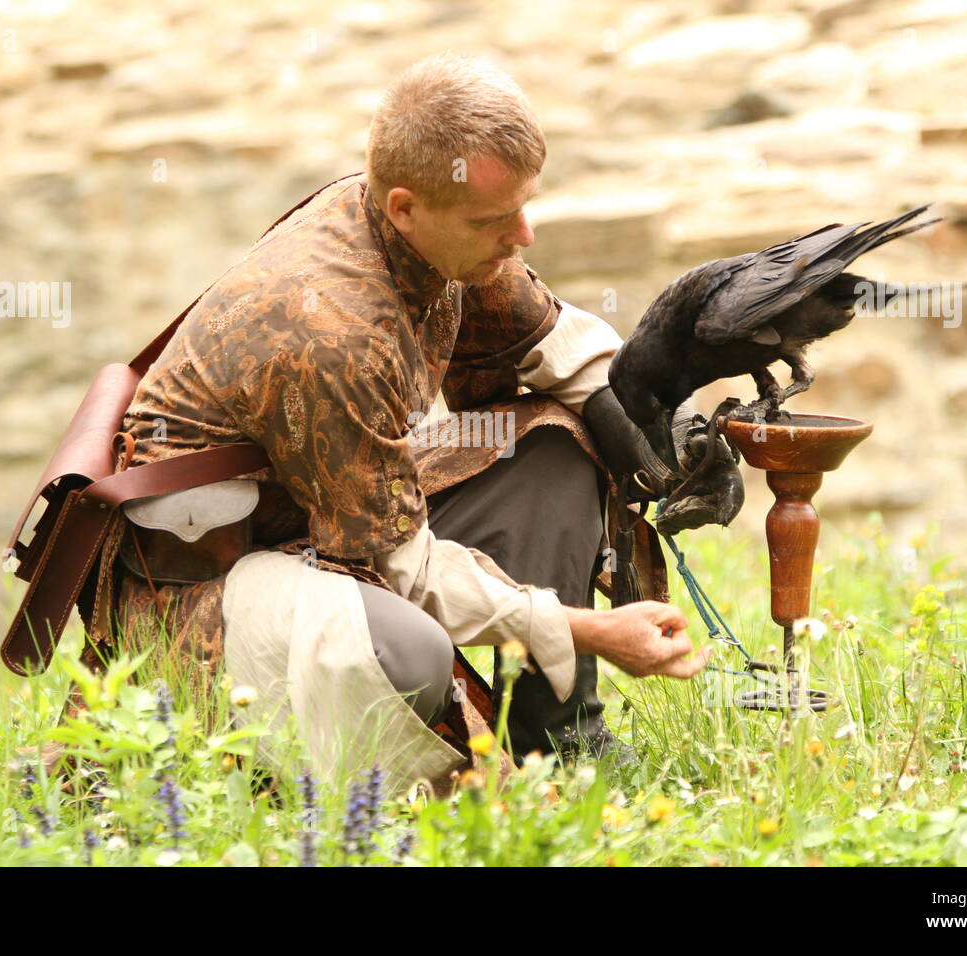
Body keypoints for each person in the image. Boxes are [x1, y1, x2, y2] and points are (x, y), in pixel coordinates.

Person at [87, 52, 743, 793]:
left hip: (324, 531)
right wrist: (585, 629)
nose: (523, 235)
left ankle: (552, 738)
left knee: (559, 445)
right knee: (406, 650)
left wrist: (666, 432)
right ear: (406, 206)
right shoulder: (330, 330)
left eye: (526, 205)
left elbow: (551, 342)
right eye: (496, 219)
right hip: (206, 593)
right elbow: (403, 565)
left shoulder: (431, 236)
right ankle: (306, 784)